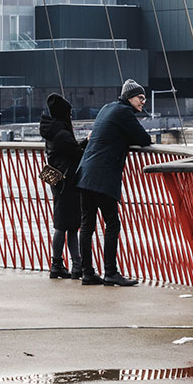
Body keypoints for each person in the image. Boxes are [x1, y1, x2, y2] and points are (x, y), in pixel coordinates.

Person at [75, 79, 153, 287]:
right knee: (112, 223)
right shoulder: (124, 113)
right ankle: (110, 272)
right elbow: (144, 139)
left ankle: (87, 273)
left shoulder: (107, 108)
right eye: (140, 98)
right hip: (103, 176)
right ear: (130, 97)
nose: (143, 102)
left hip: (85, 173)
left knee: (87, 225)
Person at [39, 92, 84, 279]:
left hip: (58, 182)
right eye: (69, 114)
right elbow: (77, 153)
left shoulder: (53, 131)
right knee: (68, 226)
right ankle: (69, 265)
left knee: (64, 225)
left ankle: (67, 265)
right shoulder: (63, 134)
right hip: (68, 184)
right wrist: (89, 140)